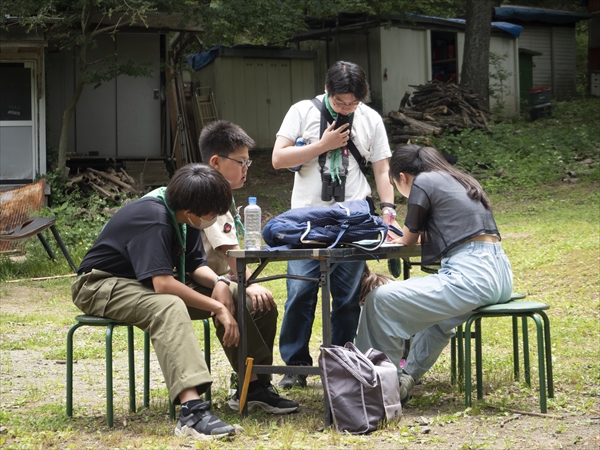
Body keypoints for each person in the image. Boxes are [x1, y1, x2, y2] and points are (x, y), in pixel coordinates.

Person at [73, 164, 239, 440]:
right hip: (99, 284)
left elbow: (195, 267)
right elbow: (163, 284)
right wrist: (217, 307)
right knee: (169, 304)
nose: (214, 220)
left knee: (238, 293)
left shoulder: (184, 218)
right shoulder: (154, 217)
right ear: (190, 211)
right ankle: (192, 413)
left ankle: (255, 386)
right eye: (211, 214)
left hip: (139, 283)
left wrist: (222, 285)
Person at [271, 60, 399, 388]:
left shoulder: (369, 118)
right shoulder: (302, 111)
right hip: (307, 222)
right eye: (341, 102)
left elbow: (382, 170)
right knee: (299, 293)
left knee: (346, 298)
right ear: (327, 90)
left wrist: (387, 209)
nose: (347, 108)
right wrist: (322, 146)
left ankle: (342, 362)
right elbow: (277, 158)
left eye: (353, 103)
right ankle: (295, 367)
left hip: (353, 220)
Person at [355, 144, 513, 403]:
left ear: (402, 178)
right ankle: (405, 379)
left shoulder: (424, 180)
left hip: (471, 276)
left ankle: (374, 387)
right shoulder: (459, 178)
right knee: (438, 319)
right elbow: (458, 229)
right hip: (498, 275)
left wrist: (402, 237)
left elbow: (407, 238)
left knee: (379, 300)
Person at [197, 120, 298, 413]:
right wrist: (246, 282)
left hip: (211, 277)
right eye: (241, 162)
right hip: (196, 279)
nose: (246, 169)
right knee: (248, 299)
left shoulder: (216, 191)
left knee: (261, 302)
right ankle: (253, 384)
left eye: (248, 162)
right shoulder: (208, 193)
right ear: (216, 162)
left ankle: (253, 382)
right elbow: (229, 251)